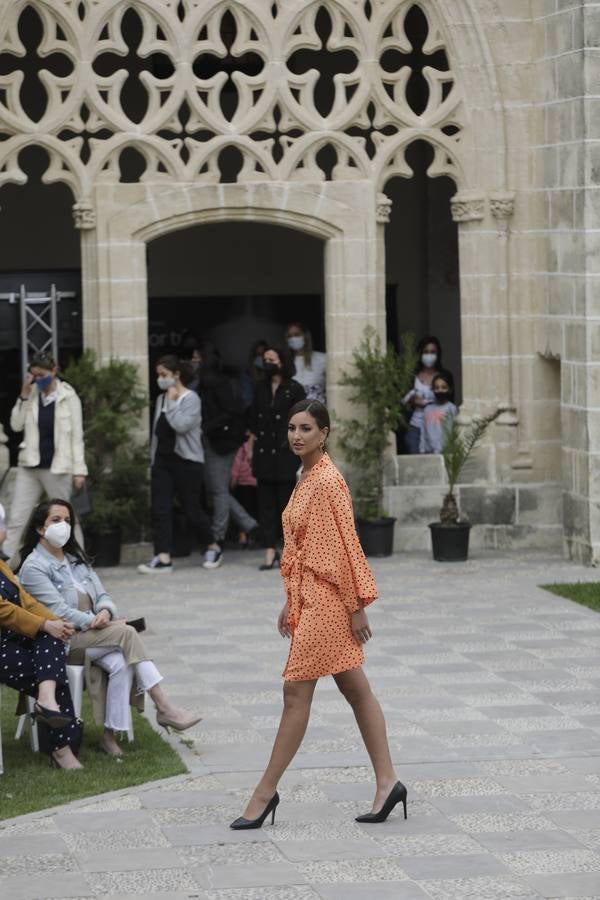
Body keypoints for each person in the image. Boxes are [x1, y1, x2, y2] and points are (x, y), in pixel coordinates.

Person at [230, 399, 406, 830]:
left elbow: (346, 544)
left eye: (306, 428)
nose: (296, 435)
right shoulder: (304, 474)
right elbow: (303, 547)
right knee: (355, 689)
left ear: (324, 433)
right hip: (310, 596)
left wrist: (357, 606)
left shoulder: (328, 480)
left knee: (295, 694)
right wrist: (291, 598)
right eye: (292, 427)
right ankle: (388, 783)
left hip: (330, 601)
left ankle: (264, 793)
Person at [19, 498, 202, 757]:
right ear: (40, 528)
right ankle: (164, 707)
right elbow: (57, 611)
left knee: (121, 661)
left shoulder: (76, 560)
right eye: (56, 521)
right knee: (126, 633)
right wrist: (93, 621)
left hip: (94, 635)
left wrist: (105, 612)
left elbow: (103, 594)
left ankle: (110, 736)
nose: (64, 526)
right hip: (64, 641)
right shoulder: (34, 567)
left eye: (68, 521)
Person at [138, 354, 221, 574]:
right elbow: (158, 432)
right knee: (161, 509)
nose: (161, 379)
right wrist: (153, 459)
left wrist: (173, 402)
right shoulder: (160, 399)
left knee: (192, 509)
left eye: (164, 375)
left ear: (176, 374)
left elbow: (181, 425)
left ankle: (212, 545)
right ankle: (163, 556)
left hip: (187, 462)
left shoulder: (190, 398)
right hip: (163, 462)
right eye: (158, 375)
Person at [0, 558, 83, 769]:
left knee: (51, 643)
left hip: (13, 638)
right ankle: (63, 749)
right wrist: (45, 624)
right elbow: (3, 610)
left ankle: (46, 699)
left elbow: (26, 601)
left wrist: (57, 623)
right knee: (50, 673)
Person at [5, 351, 87, 561]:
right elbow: (15, 425)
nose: (38, 380)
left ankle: (78, 564)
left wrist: (79, 470)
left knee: (67, 519)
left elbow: (77, 436)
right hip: (29, 466)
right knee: (17, 517)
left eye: (42, 375)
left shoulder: (68, 397)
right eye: (34, 376)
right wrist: (23, 395)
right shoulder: (31, 395)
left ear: (54, 371)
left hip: (57, 467)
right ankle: (4, 565)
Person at [198, 343, 258, 562]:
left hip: (220, 442)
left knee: (219, 491)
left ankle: (218, 537)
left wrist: (206, 427)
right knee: (219, 490)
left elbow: (230, 411)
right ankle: (250, 525)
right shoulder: (216, 383)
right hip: (221, 440)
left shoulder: (217, 385)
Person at [247, 346, 305, 570]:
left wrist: (303, 457)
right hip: (263, 452)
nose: (267, 362)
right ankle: (269, 551)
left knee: (287, 506)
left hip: (286, 453)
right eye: (265, 359)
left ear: (283, 362)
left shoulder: (295, 389)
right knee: (265, 505)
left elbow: (303, 424)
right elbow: (253, 421)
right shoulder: (259, 388)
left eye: (272, 359)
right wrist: (251, 450)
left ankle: (291, 552)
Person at [403, 336, 443, 454]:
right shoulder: (412, 376)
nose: (429, 355)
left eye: (432, 352)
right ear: (420, 354)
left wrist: (426, 403)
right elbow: (402, 402)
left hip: (436, 427)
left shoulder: (443, 377)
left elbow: (448, 402)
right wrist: (412, 402)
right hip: (415, 426)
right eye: (426, 352)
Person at [285, 323, 327, 403]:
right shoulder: (286, 362)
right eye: (289, 336)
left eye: (296, 334)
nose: (293, 338)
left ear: (305, 336)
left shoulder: (322, 358)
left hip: (318, 410)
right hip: (296, 412)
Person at [420, 369, 458, 454]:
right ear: (433, 390)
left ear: (449, 389)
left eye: (443, 387)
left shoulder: (452, 408)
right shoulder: (427, 409)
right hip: (428, 453)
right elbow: (423, 431)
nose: (440, 390)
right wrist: (422, 449)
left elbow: (452, 432)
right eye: (437, 388)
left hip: (446, 453)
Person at [230, 434, 259, 547]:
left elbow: (236, 464)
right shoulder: (252, 446)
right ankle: (248, 536)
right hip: (250, 483)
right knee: (249, 510)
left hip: (245, 483)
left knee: (244, 510)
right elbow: (237, 463)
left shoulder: (243, 446)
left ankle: (245, 536)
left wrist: (234, 479)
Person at [240, 338, 269, 410]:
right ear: (253, 357)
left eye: (263, 354)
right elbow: (248, 402)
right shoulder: (247, 375)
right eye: (258, 355)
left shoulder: (275, 373)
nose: (261, 358)